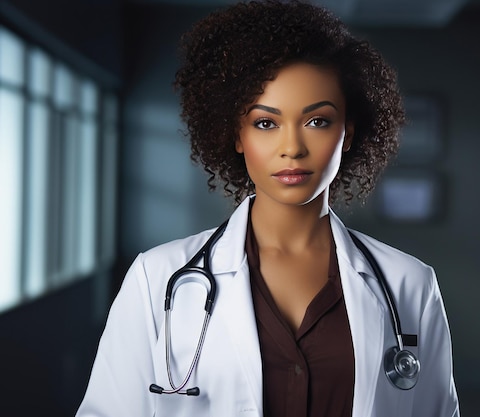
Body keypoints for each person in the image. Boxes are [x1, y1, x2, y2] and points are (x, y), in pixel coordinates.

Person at [76, 1, 460, 416]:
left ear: (347, 134)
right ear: (235, 135)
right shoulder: (157, 279)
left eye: (318, 121)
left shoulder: (411, 286)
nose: (292, 147)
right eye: (266, 123)